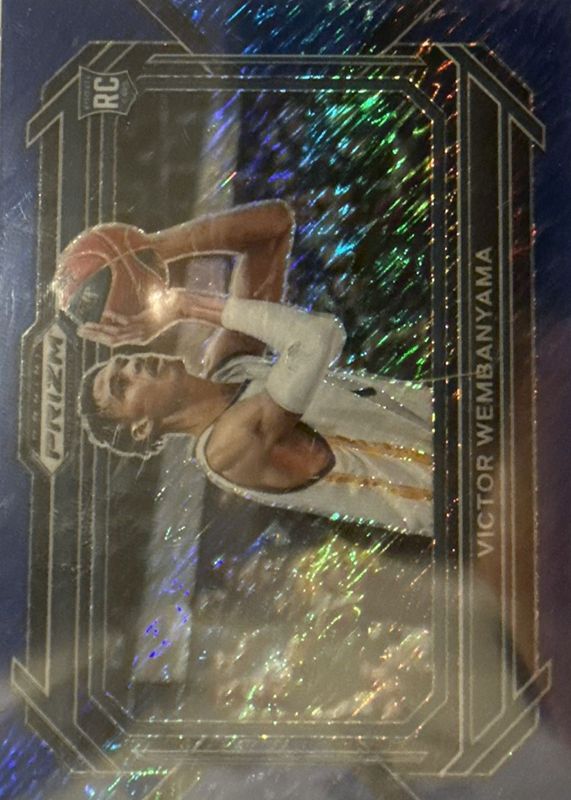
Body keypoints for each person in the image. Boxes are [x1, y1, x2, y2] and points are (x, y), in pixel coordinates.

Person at [74, 202, 434, 538]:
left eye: (124, 360)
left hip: (448, 421)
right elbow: (319, 338)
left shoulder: (231, 365)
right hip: (450, 486)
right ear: (142, 427)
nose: (133, 365)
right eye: (122, 385)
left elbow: (273, 227)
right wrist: (184, 305)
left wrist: (149, 249)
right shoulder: (225, 449)